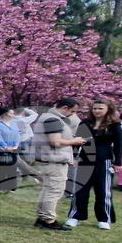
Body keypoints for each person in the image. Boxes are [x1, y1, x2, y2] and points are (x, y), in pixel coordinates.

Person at [66, 98, 122, 230]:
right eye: (95, 108)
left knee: (103, 191)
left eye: (100, 108)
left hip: (104, 161)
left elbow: (119, 145)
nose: (97, 111)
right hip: (85, 160)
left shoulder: (115, 125)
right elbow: (78, 140)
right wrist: (74, 156)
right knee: (80, 189)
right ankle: (76, 216)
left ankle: (104, 218)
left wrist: (118, 162)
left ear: (108, 109)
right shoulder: (86, 123)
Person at [33, 98, 86, 231]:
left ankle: (42, 217)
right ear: (64, 108)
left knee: (47, 189)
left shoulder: (46, 117)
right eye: (73, 111)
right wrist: (74, 141)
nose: (73, 115)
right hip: (54, 160)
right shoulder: (54, 120)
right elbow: (55, 141)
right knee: (54, 191)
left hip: (47, 158)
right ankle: (49, 220)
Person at [0, 107, 21, 193]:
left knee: (12, 168)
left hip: (13, 149)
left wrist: (15, 146)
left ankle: (11, 187)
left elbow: (17, 135)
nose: (13, 115)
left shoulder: (14, 124)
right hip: (0, 149)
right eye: (11, 113)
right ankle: (0, 187)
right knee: (1, 169)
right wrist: (6, 147)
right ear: (5, 114)